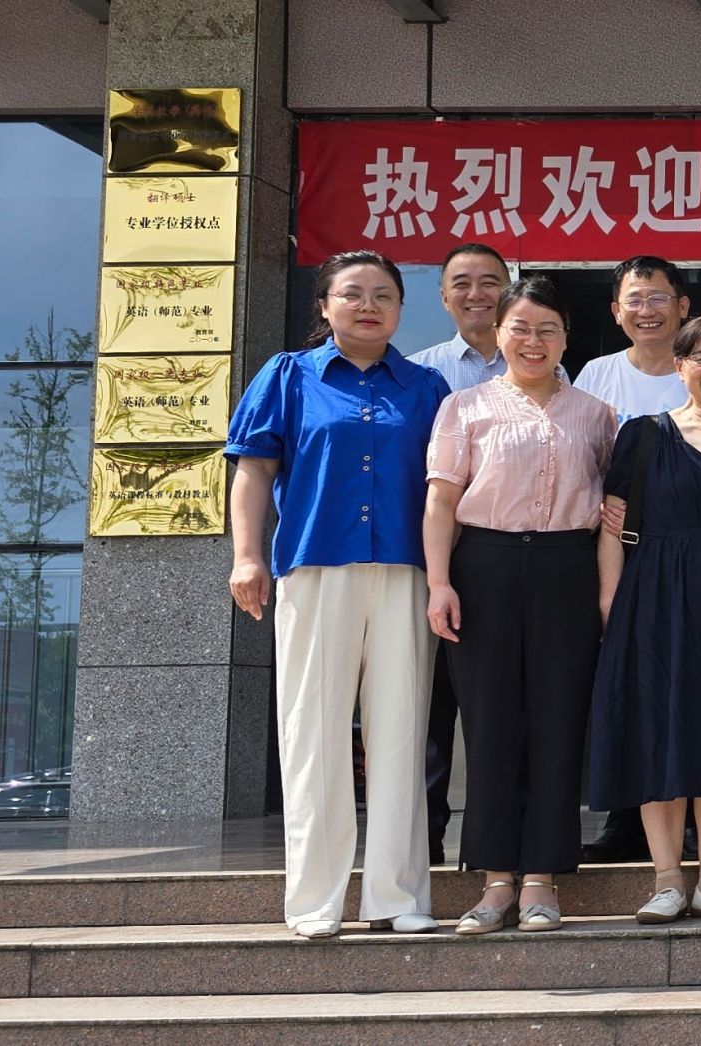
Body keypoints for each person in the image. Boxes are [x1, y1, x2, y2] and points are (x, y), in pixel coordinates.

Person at [225, 249, 449, 939]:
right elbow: (254, 470)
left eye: (384, 294)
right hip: (315, 567)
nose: (368, 305)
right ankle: (314, 901)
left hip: (406, 571)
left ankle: (397, 897)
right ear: (323, 306)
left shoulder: (426, 387)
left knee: (400, 733)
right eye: (352, 293)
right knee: (313, 732)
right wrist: (246, 556)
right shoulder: (288, 376)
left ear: (401, 309)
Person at [423, 277, 616, 934]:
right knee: (489, 726)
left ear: (566, 338)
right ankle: (496, 879)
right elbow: (441, 501)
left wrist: (605, 592)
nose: (534, 342)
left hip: (568, 567)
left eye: (548, 330)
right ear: (499, 332)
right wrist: (440, 582)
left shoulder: (595, 413)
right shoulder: (463, 406)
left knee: (560, 723)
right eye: (521, 328)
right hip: (485, 566)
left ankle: (542, 879)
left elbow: (611, 513)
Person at [587, 315, 701, 923]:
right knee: (656, 731)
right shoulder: (641, 435)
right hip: (651, 595)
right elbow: (613, 526)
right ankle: (666, 879)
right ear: (680, 366)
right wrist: (611, 604)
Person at [409, 241, 511, 868]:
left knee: (499, 707)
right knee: (430, 706)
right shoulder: (418, 374)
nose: (478, 294)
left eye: (490, 281)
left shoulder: (548, 369)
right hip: (437, 557)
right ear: (443, 296)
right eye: (463, 283)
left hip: (510, 559)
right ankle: (422, 843)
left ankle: (492, 845)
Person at [575, 254, 701, 425]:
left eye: (658, 299)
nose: (646, 311)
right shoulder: (596, 373)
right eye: (634, 301)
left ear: (682, 306)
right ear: (617, 312)